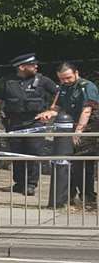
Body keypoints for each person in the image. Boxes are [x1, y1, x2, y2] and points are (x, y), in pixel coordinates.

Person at [0, 53, 56, 196]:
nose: (36, 66)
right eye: (33, 64)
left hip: (35, 123)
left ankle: (31, 184)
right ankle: (19, 183)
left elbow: (59, 93)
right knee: (16, 154)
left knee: (33, 153)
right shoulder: (7, 82)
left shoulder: (43, 81)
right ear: (22, 67)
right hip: (14, 124)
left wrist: (51, 110)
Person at [47, 60, 98, 209]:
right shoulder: (63, 87)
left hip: (88, 128)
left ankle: (87, 197)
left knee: (82, 164)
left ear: (76, 73)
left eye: (68, 77)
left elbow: (87, 110)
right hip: (69, 128)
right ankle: (68, 196)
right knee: (70, 163)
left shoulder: (87, 87)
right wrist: (48, 114)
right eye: (62, 78)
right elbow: (56, 107)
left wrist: (79, 131)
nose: (65, 81)